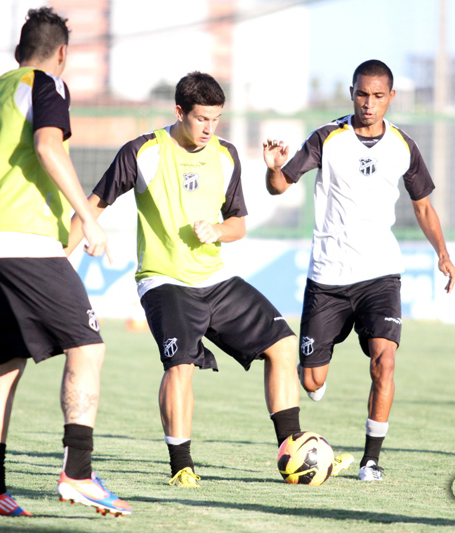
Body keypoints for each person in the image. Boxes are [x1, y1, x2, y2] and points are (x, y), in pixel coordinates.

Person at [67, 72, 347, 487]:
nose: (209, 128)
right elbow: (93, 205)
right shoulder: (143, 152)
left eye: (216, 119)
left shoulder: (226, 155)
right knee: (181, 365)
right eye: (201, 119)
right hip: (164, 281)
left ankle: (292, 450)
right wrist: (61, 256)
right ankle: (182, 465)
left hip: (215, 279)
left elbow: (238, 224)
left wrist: (217, 230)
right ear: (180, 112)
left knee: (284, 345)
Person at [0, 7, 130, 517]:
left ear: (18, 51)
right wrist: (88, 217)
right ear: (62, 53)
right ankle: (78, 474)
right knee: (88, 347)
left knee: (6, 365)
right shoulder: (47, 84)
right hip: (25, 242)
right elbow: (47, 146)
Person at [263, 59, 455, 482]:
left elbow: (423, 205)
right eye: (362, 94)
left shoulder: (403, 146)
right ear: (352, 93)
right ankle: (315, 377)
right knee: (312, 382)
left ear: (391, 97)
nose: (369, 103)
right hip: (328, 277)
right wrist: (274, 168)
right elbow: (280, 187)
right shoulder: (327, 138)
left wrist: (442, 252)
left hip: (380, 275)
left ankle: (371, 460)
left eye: (378, 95)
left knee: (385, 362)